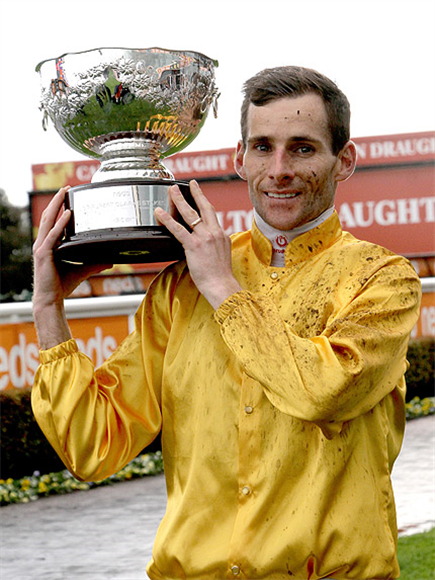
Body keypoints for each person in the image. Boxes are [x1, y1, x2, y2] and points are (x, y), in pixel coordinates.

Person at [31, 66, 421, 580]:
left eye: (302, 148)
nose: (279, 169)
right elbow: (94, 447)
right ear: (240, 158)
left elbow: (324, 392)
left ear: (343, 160)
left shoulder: (384, 280)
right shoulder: (179, 287)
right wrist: (48, 310)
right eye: (262, 147)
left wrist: (223, 288)